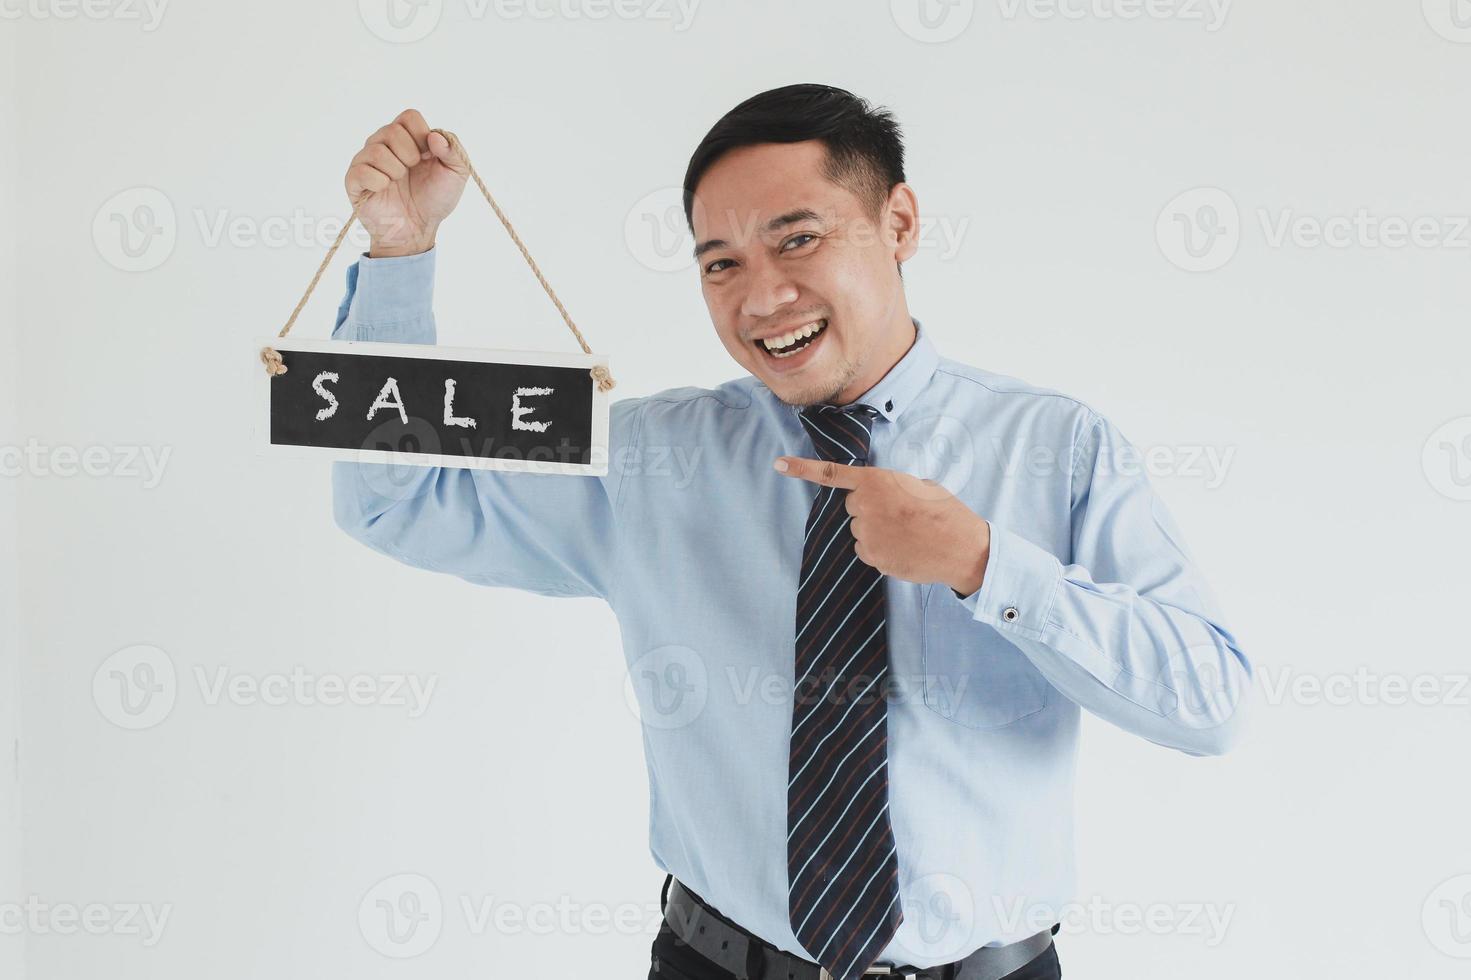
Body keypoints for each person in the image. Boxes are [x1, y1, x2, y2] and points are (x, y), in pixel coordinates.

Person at [330, 85, 1252, 980]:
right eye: (719, 262)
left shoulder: (1055, 444)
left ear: (898, 225)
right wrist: (398, 253)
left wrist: (985, 565)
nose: (761, 297)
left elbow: (1209, 702)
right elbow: (393, 501)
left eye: (797, 240)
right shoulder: (655, 455)